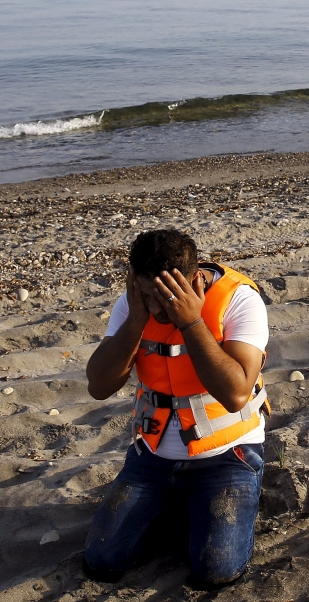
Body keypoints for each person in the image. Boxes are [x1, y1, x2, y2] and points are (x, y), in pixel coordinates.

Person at [83, 228, 270, 589]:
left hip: (227, 456)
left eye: (165, 297)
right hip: (151, 458)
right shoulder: (134, 303)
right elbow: (99, 386)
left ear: (195, 279)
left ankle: (211, 504)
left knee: (216, 570)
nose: (156, 307)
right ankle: (179, 508)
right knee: (103, 561)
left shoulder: (240, 299)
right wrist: (136, 320)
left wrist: (191, 321)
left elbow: (235, 394)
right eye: (148, 295)